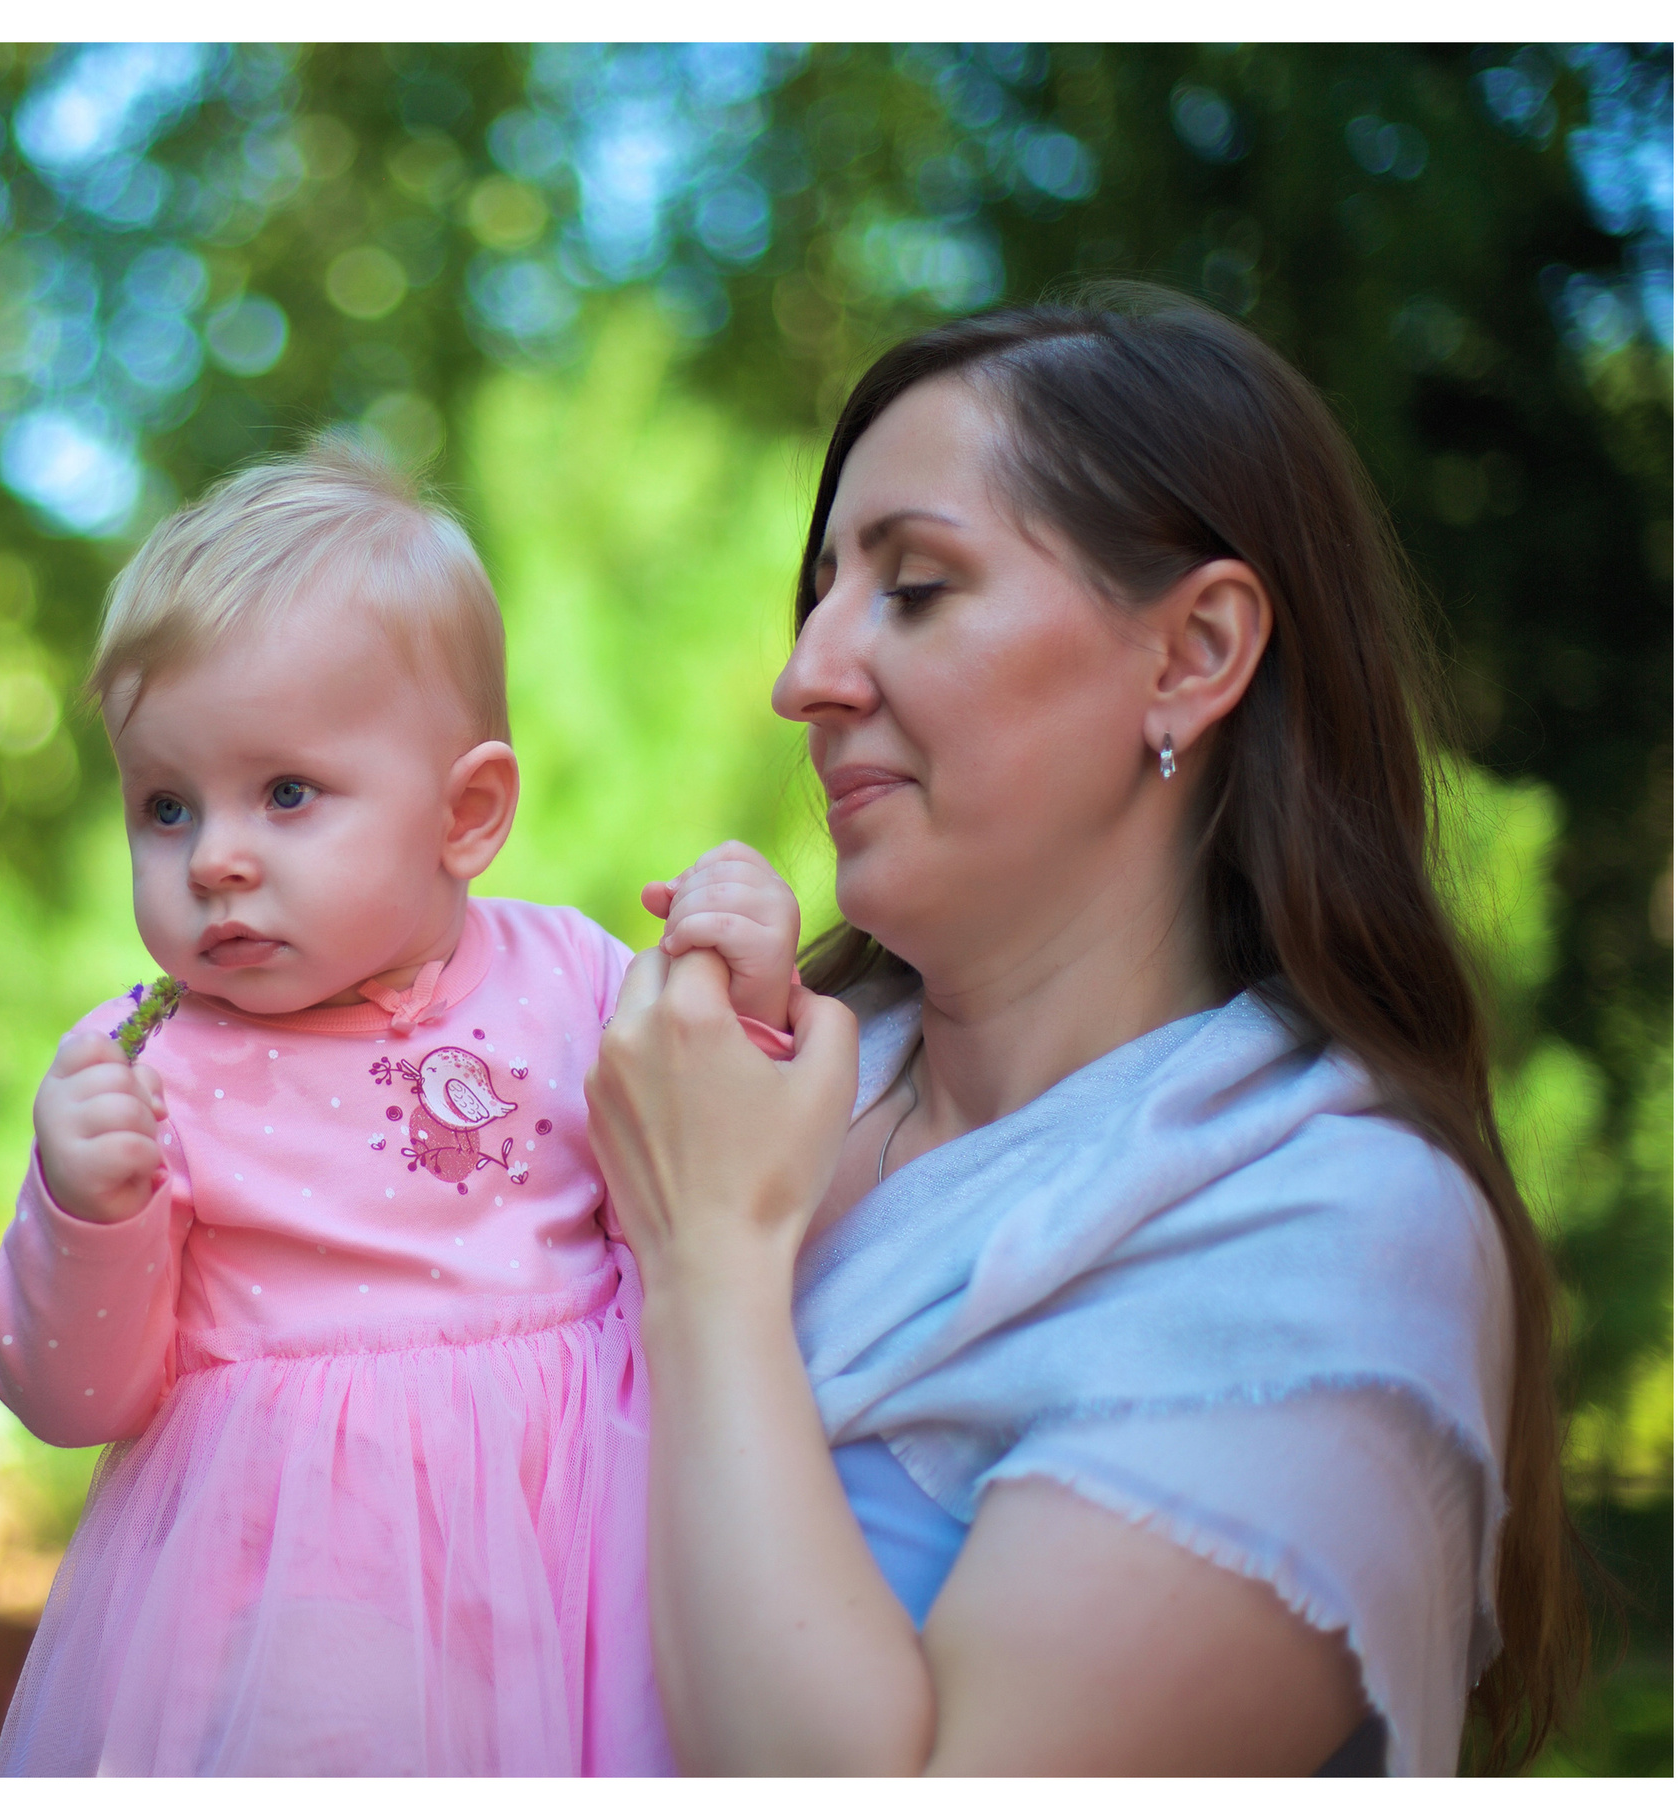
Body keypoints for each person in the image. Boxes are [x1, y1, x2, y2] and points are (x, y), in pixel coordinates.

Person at [586, 286, 1587, 1776]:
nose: (806, 680)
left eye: (916, 587)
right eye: (822, 596)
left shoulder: (1327, 1227)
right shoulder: (728, 1073)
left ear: (1192, 655)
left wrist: (712, 1262)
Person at [0, 438, 796, 1774]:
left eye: (286, 794)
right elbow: (74, 1395)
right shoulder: (148, 1064)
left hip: (574, 1540)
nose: (216, 858)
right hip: (297, 1592)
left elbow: (710, 1172)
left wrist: (747, 994)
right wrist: (85, 1209)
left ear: (466, 813)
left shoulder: (571, 979)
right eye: (165, 808)